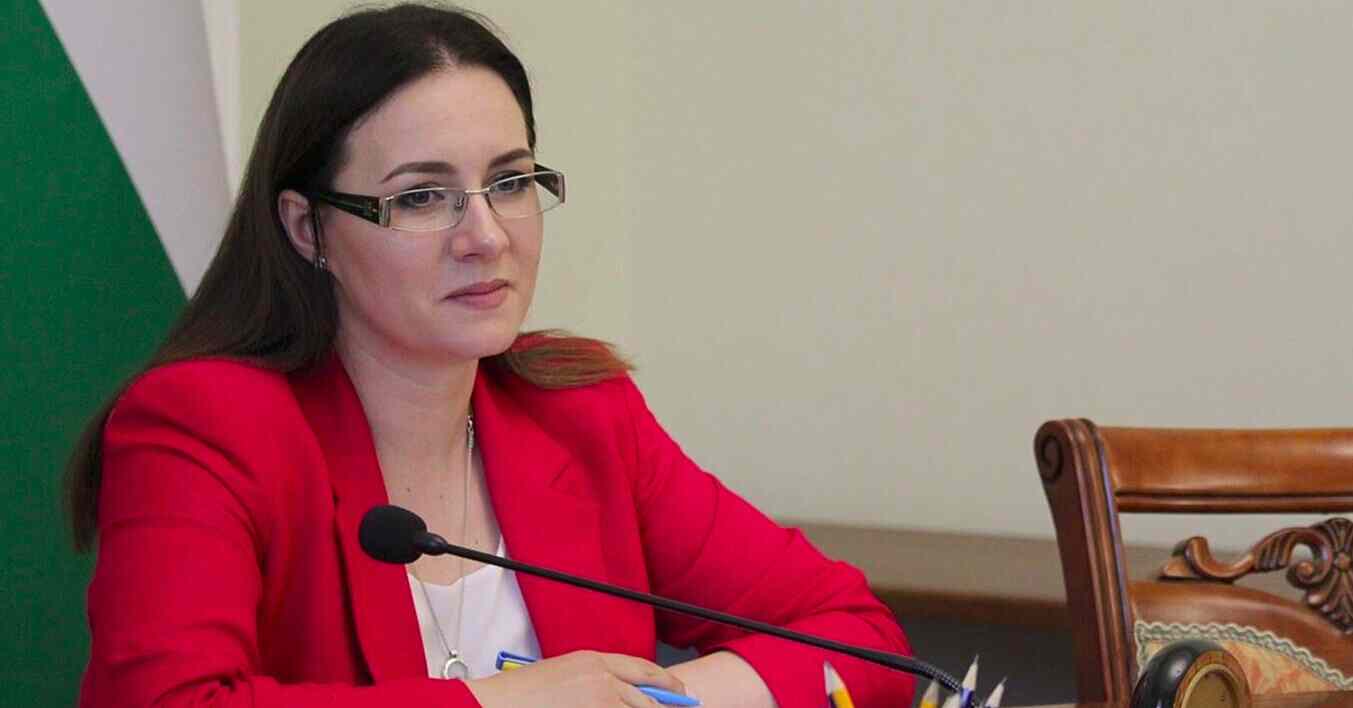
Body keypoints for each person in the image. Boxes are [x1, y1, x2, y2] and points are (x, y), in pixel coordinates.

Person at [67, 4, 915, 707]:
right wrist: (508, 701)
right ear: (306, 228)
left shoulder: (579, 412)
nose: (485, 236)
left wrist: (648, 700)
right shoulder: (206, 426)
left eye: (509, 183)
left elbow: (858, 638)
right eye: (421, 197)